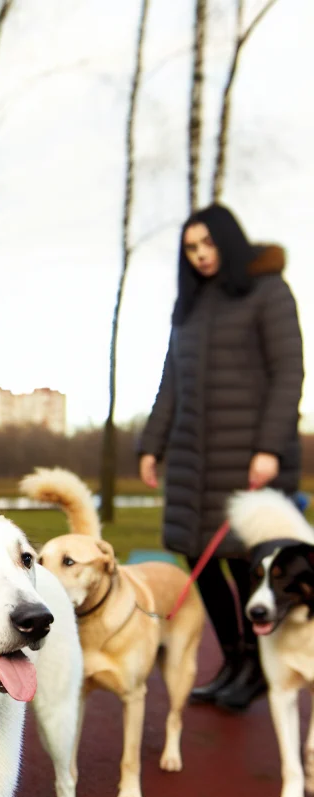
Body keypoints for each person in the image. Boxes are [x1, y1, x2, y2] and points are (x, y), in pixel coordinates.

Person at [138, 204, 304, 711]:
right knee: (199, 557)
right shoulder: (189, 305)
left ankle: (256, 665)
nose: (200, 255)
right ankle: (233, 659)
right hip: (193, 459)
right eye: (191, 248)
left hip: (250, 456)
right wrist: (151, 445)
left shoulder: (267, 290)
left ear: (229, 241)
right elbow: (171, 383)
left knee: (242, 562)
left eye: (208, 244)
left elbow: (289, 372)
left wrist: (269, 447)